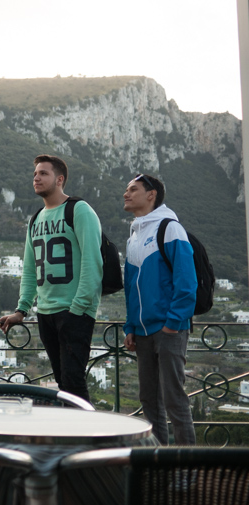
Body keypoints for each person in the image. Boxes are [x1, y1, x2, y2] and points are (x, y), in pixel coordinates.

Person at [0, 155, 102, 402]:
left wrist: (78, 308)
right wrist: (21, 310)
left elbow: (92, 262)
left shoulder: (79, 210)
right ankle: (70, 437)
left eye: (43, 173)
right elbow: (31, 269)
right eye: (35, 173)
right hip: (46, 313)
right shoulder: (35, 219)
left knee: (74, 383)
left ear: (60, 179)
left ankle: (88, 438)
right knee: (63, 383)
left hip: (74, 312)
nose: (36, 177)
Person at [122, 173, 196, 444]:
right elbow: (130, 287)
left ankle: (186, 470)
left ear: (151, 194)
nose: (125, 194)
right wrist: (130, 326)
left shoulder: (170, 228)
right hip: (142, 333)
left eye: (133, 189)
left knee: (174, 401)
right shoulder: (133, 236)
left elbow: (187, 281)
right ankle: (158, 466)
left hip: (169, 330)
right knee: (149, 402)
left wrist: (173, 324)